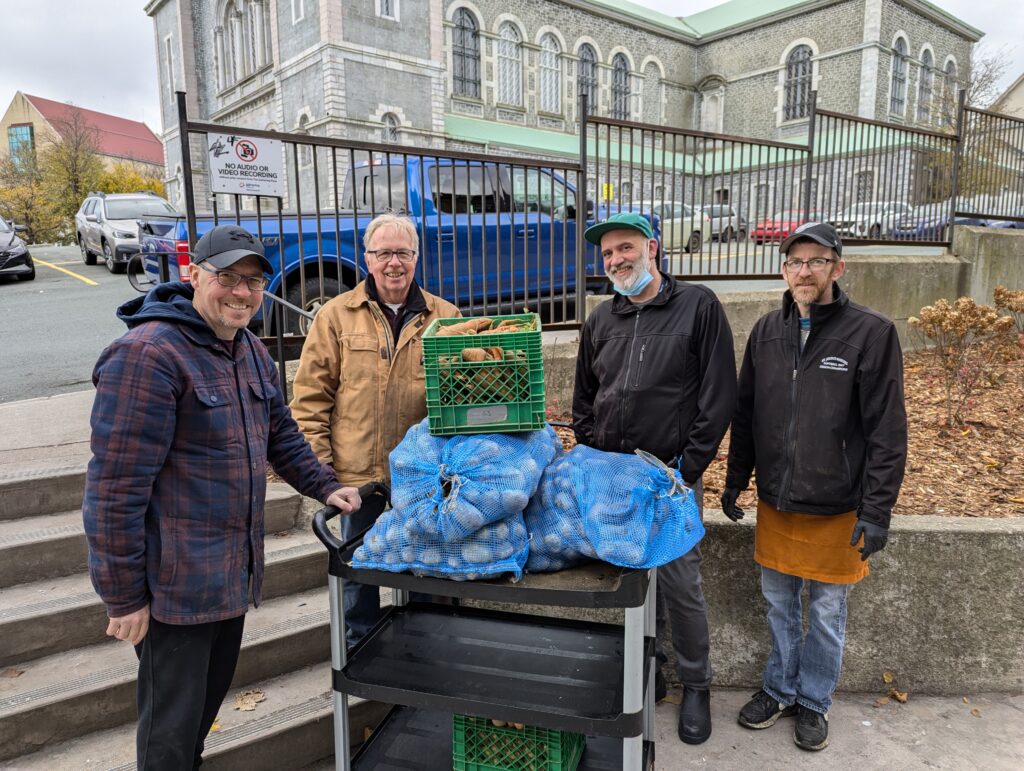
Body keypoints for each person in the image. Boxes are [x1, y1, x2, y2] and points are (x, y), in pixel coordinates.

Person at [83, 224, 362, 769]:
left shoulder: (248, 349)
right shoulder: (148, 355)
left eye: (254, 282)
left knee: (195, 724)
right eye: (228, 278)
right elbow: (114, 491)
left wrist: (327, 485)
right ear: (193, 276)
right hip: (174, 591)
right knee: (169, 734)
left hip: (229, 578)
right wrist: (122, 596)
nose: (242, 292)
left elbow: (281, 434)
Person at [722, 222, 907, 752]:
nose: (804, 271)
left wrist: (878, 510)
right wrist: (737, 481)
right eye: (794, 261)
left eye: (816, 261)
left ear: (837, 268)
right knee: (779, 606)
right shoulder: (765, 331)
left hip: (838, 506)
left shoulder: (871, 332)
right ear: (783, 269)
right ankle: (778, 689)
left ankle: (813, 701)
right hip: (778, 500)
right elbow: (747, 412)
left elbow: (886, 429)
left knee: (827, 614)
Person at [573, 211, 737, 745]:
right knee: (629, 579)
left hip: (669, 477)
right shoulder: (601, 319)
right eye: (607, 254)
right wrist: (595, 460)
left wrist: (686, 470)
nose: (616, 260)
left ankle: (697, 685)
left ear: (653, 248)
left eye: (625, 248)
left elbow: (717, 399)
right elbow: (584, 400)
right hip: (615, 478)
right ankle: (652, 668)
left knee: (680, 583)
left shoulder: (698, 306)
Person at [290, 212, 460, 645]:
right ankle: (360, 646)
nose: (393, 263)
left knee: (426, 564)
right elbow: (310, 400)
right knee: (358, 568)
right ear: (367, 258)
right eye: (383, 253)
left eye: (402, 252)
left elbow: (463, 397)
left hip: (423, 476)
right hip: (355, 475)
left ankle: (425, 645)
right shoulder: (335, 316)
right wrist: (322, 474)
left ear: (416, 258)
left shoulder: (446, 316)